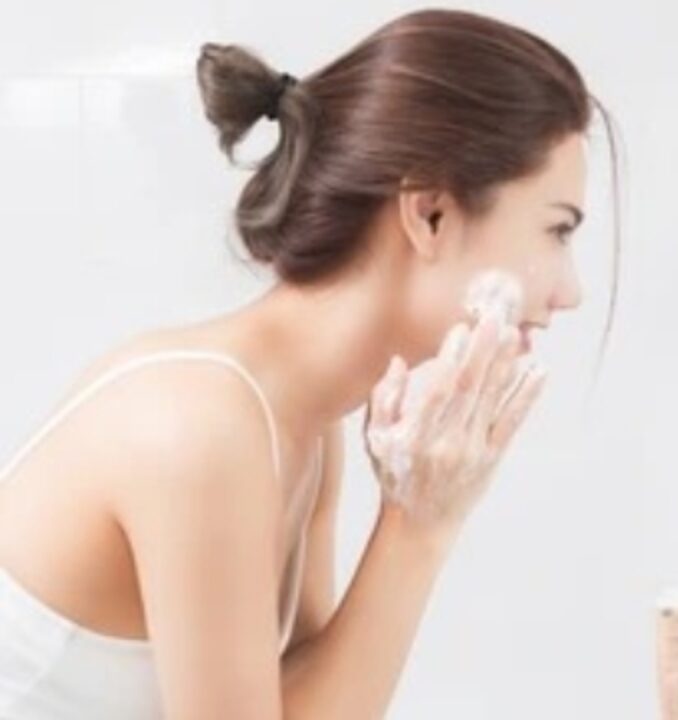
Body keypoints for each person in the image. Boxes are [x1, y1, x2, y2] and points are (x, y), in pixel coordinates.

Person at [0, 8, 620, 718]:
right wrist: (418, 527)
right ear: (430, 214)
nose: (569, 292)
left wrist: (421, 517)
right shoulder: (202, 426)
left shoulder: (304, 424)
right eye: (556, 230)